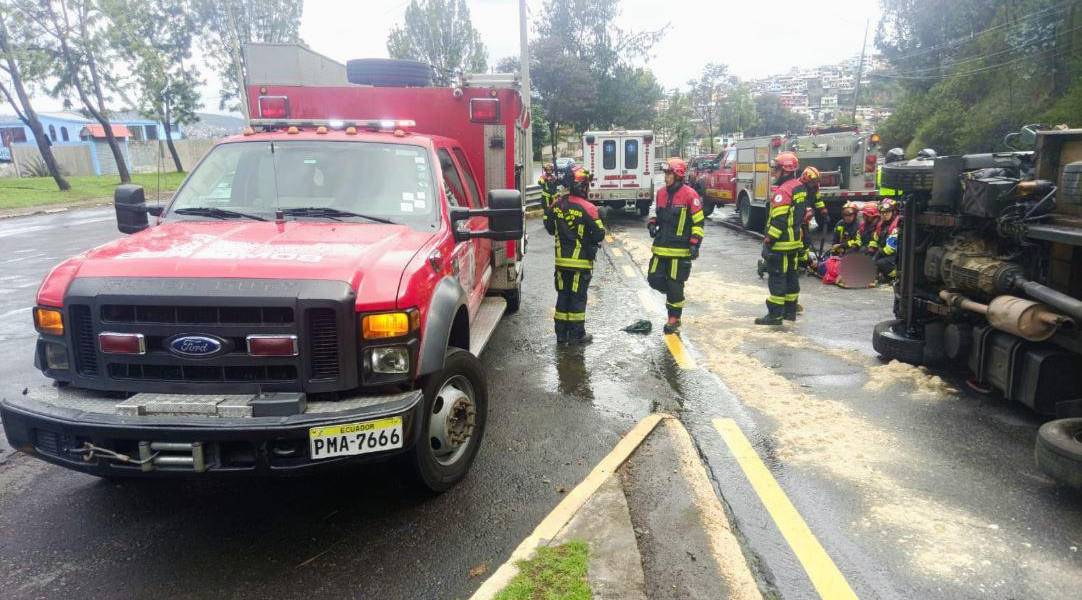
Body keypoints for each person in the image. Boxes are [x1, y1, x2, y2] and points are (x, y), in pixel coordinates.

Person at [544, 167, 605, 344]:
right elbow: (599, 234)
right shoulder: (589, 208)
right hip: (581, 263)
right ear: (583, 186)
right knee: (578, 298)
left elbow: (548, 227)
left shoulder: (556, 205)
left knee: (563, 296)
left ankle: (561, 335)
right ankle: (577, 335)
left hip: (561, 263)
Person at [647, 157, 705, 334]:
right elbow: (655, 214)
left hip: (680, 251)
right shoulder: (661, 193)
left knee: (674, 284)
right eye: (665, 174)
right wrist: (651, 224)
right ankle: (674, 295)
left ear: (678, 175)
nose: (666, 177)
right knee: (653, 278)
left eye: (668, 174)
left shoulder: (690, 195)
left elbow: (698, 222)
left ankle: (674, 318)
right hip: (660, 248)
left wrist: (695, 243)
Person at [756, 151, 806, 325]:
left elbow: (779, 220)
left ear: (785, 170)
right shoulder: (799, 186)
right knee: (792, 276)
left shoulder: (783, 191)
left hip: (781, 244)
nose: (773, 173)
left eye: (776, 169)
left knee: (777, 278)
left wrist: (769, 240)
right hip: (794, 242)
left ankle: (775, 315)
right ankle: (789, 312)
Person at [873, 198, 901, 282]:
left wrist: (879, 252)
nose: (884, 215)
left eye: (887, 212)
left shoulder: (897, 224)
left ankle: (895, 276)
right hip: (884, 252)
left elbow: (891, 248)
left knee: (881, 263)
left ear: (893, 212)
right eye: (882, 212)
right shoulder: (881, 224)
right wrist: (871, 248)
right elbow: (875, 238)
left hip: (895, 255)